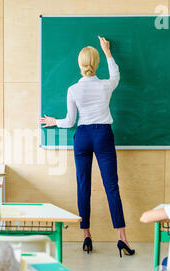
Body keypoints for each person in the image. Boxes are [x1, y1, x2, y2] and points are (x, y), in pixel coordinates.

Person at [40, 36, 134, 257]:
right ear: (97, 63)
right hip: (103, 135)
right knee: (111, 186)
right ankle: (122, 238)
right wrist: (108, 51)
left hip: (82, 136)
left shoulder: (73, 90)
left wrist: (55, 122)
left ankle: (86, 237)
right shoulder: (105, 86)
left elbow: (70, 121)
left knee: (83, 185)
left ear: (80, 64)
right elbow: (116, 75)